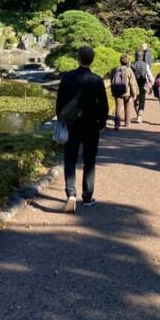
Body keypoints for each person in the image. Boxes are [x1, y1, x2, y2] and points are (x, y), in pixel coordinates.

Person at [55, 45, 109, 212]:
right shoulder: (97, 80)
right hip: (91, 126)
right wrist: (101, 123)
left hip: (71, 125)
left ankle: (71, 192)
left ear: (78, 58)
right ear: (91, 59)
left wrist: (61, 119)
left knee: (70, 158)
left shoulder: (67, 77)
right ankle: (87, 196)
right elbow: (104, 106)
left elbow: (59, 102)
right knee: (89, 161)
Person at [110, 54, 139, 130]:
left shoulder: (115, 70)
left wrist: (112, 91)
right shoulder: (129, 70)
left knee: (118, 107)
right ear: (128, 62)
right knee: (127, 106)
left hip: (117, 91)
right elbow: (132, 83)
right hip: (126, 92)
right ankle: (127, 122)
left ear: (120, 61)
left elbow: (111, 81)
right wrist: (134, 93)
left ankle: (117, 124)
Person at [132, 50, 154, 123]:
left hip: (134, 86)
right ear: (142, 56)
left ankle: (137, 114)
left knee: (135, 101)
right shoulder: (145, 64)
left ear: (135, 56)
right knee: (142, 101)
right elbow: (150, 76)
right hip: (143, 86)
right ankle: (139, 116)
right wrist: (152, 85)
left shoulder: (132, 64)